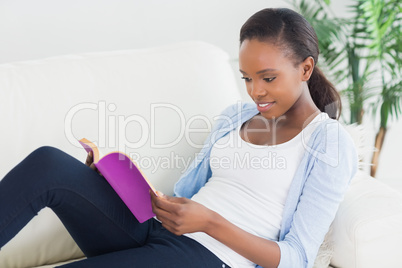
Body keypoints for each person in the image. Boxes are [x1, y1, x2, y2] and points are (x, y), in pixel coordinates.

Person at [0, 8, 357, 268]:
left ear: (305, 68)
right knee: (49, 163)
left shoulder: (329, 143)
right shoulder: (237, 116)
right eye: (247, 78)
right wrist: (117, 181)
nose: (255, 92)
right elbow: (188, 195)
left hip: (210, 257)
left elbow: (297, 257)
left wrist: (209, 223)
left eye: (268, 78)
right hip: (161, 231)